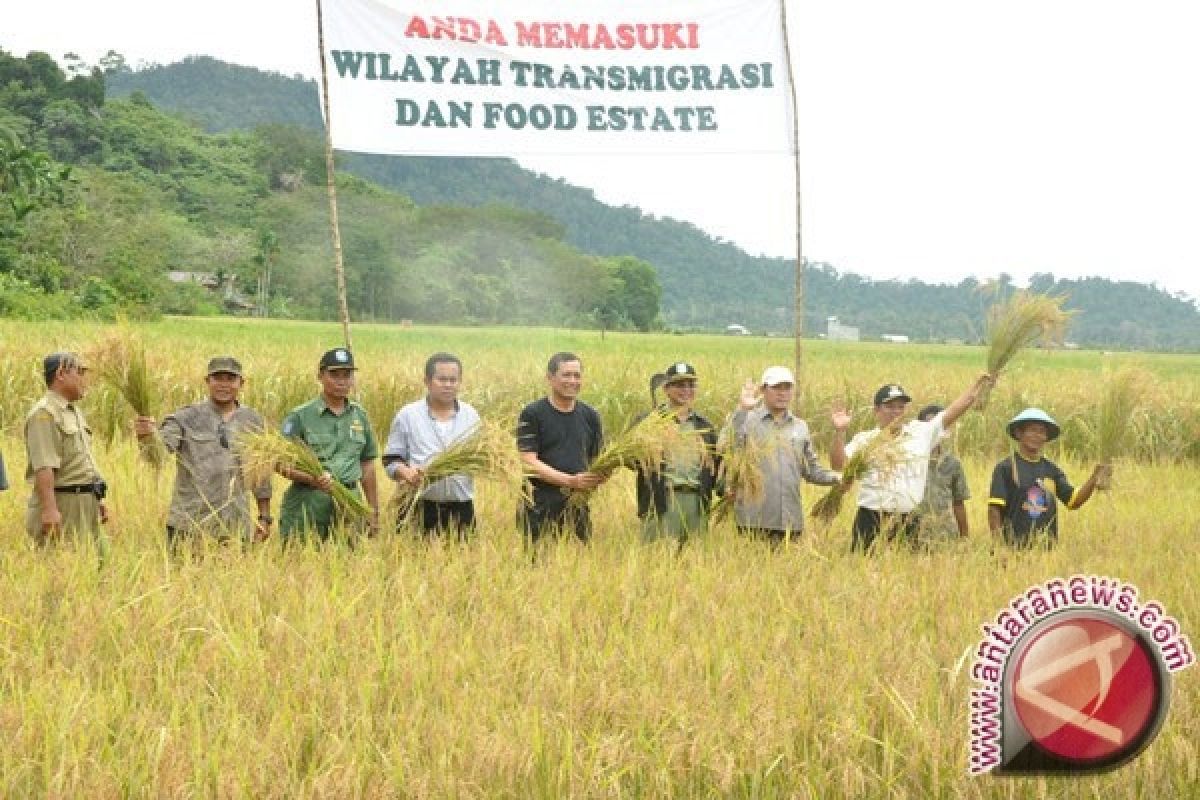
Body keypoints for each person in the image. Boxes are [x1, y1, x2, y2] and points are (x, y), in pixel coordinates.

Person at [831, 373, 994, 552]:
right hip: (870, 518)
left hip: (907, 520)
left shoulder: (920, 434)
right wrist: (840, 432)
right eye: (890, 406)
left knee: (905, 572)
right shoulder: (864, 441)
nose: (896, 412)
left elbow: (953, 411)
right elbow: (839, 465)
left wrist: (977, 386)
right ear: (876, 410)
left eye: (900, 407)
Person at [134, 356, 272, 547]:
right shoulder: (184, 417)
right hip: (189, 523)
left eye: (230, 379)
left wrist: (264, 517)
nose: (224, 384)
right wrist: (146, 436)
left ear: (241, 383)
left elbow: (261, 474)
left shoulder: (253, 421)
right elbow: (158, 454)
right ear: (207, 381)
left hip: (235, 523)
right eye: (218, 378)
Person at [722, 365, 840, 546]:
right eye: (776, 388)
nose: (782, 393)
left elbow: (810, 470)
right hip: (753, 520)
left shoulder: (800, 427)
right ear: (763, 390)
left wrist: (838, 478)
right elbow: (725, 446)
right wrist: (742, 409)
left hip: (790, 520)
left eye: (787, 388)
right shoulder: (746, 419)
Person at [278, 347, 380, 541]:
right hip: (308, 503)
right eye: (334, 375)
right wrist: (312, 479)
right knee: (303, 563)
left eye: (346, 375)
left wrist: (373, 511)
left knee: (349, 564)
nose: (341, 381)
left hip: (350, 503)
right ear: (320, 376)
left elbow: (367, 465)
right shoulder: (300, 416)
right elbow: (280, 463)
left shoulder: (360, 416)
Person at [383, 352, 481, 538]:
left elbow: (479, 456)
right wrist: (405, 472)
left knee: (463, 564)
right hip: (418, 505)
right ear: (427, 381)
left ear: (460, 382)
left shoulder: (471, 416)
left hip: (461, 508)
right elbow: (390, 459)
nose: (448, 385)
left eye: (453, 380)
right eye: (442, 379)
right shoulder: (408, 415)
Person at [987, 407, 1110, 548]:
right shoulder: (1005, 468)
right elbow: (994, 510)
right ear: (1018, 433)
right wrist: (998, 547)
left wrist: (1094, 479)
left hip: (1045, 552)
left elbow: (1073, 501)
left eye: (1041, 432)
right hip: (1013, 550)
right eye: (1032, 430)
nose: (1037, 436)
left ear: (1046, 438)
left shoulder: (1051, 470)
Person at [23, 351, 109, 550]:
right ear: (61, 374)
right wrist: (50, 511)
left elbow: (80, 460)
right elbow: (44, 465)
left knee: (96, 568)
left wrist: (95, 497)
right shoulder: (45, 413)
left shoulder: (73, 411)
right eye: (80, 372)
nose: (84, 379)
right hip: (63, 505)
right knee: (63, 569)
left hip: (84, 503)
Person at [516, 352, 606, 544]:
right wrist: (569, 481)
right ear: (550, 378)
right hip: (539, 504)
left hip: (578, 504)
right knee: (538, 565)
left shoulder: (591, 416)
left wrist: (598, 477)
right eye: (566, 375)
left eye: (577, 375)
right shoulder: (533, 414)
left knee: (579, 563)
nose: (572, 381)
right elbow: (528, 461)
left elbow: (598, 460)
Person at [635, 362, 719, 544]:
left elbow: (716, 467)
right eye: (680, 385)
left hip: (696, 503)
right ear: (666, 389)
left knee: (694, 564)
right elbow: (631, 461)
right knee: (657, 562)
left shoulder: (704, 427)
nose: (686, 390)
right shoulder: (649, 422)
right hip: (662, 501)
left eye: (691, 385)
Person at [913, 403, 970, 545]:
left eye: (939, 427)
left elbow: (958, 503)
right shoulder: (909, 460)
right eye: (929, 426)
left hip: (946, 536)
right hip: (913, 536)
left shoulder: (952, 463)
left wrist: (964, 538)